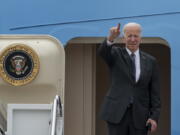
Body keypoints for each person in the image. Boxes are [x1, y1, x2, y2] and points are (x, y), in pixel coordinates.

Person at [99, 22, 161, 135]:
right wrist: (111, 38)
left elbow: (155, 92)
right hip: (117, 113)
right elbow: (103, 52)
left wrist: (154, 116)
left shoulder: (151, 61)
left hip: (140, 115)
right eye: (129, 36)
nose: (133, 39)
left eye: (136, 36)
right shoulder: (115, 54)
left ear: (140, 38)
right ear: (123, 38)